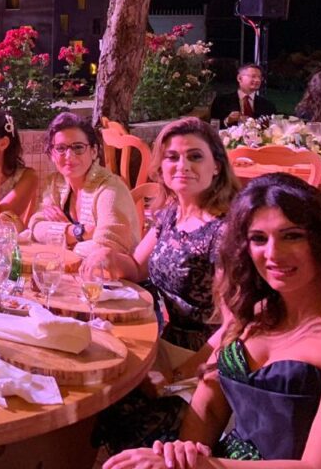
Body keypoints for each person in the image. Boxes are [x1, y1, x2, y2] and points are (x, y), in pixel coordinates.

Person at [105, 173, 321, 469]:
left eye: (292, 235)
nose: (273, 254)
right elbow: (208, 409)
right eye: (258, 239)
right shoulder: (255, 313)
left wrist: (204, 466)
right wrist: (180, 455)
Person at [93, 117, 241, 454]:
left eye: (194, 156)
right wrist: (106, 255)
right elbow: (134, 267)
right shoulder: (171, 213)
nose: (182, 165)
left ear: (217, 166)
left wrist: (183, 371)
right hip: (159, 342)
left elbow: (236, 322)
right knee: (100, 386)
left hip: (201, 356)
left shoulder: (224, 231)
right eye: (172, 157)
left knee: (117, 405)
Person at [34, 111, 141, 271]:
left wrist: (64, 243)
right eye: (61, 148)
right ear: (52, 154)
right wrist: (78, 232)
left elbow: (107, 250)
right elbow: (36, 227)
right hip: (73, 274)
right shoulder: (56, 182)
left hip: (115, 284)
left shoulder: (110, 188)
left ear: (93, 151)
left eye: (78, 147)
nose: (69, 156)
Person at [209, 63, 278, 126]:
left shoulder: (268, 106)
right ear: (239, 78)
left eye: (260, 77)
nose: (257, 80)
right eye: (253, 76)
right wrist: (227, 120)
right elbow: (212, 127)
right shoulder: (221, 101)